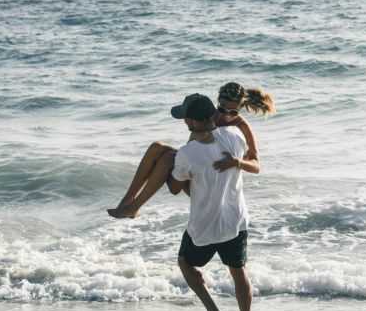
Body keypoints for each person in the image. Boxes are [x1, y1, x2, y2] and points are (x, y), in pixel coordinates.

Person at [165, 93, 259, 311]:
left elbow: (175, 188)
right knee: (239, 273)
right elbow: (252, 159)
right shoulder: (236, 138)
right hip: (234, 222)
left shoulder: (187, 152)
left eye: (186, 119)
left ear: (193, 123)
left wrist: (168, 164)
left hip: (204, 226)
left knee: (185, 262)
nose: (185, 122)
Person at [107, 82, 274, 218]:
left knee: (166, 158)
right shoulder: (212, 115)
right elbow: (191, 147)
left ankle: (135, 206)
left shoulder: (243, 127)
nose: (225, 115)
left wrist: (237, 162)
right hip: (197, 170)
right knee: (156, 147)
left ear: (241, 107)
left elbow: (256, 166)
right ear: (218, 103)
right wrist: (196, 135)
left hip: (212, 186)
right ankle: (129, 200)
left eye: (232, 112)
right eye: (222, 109)